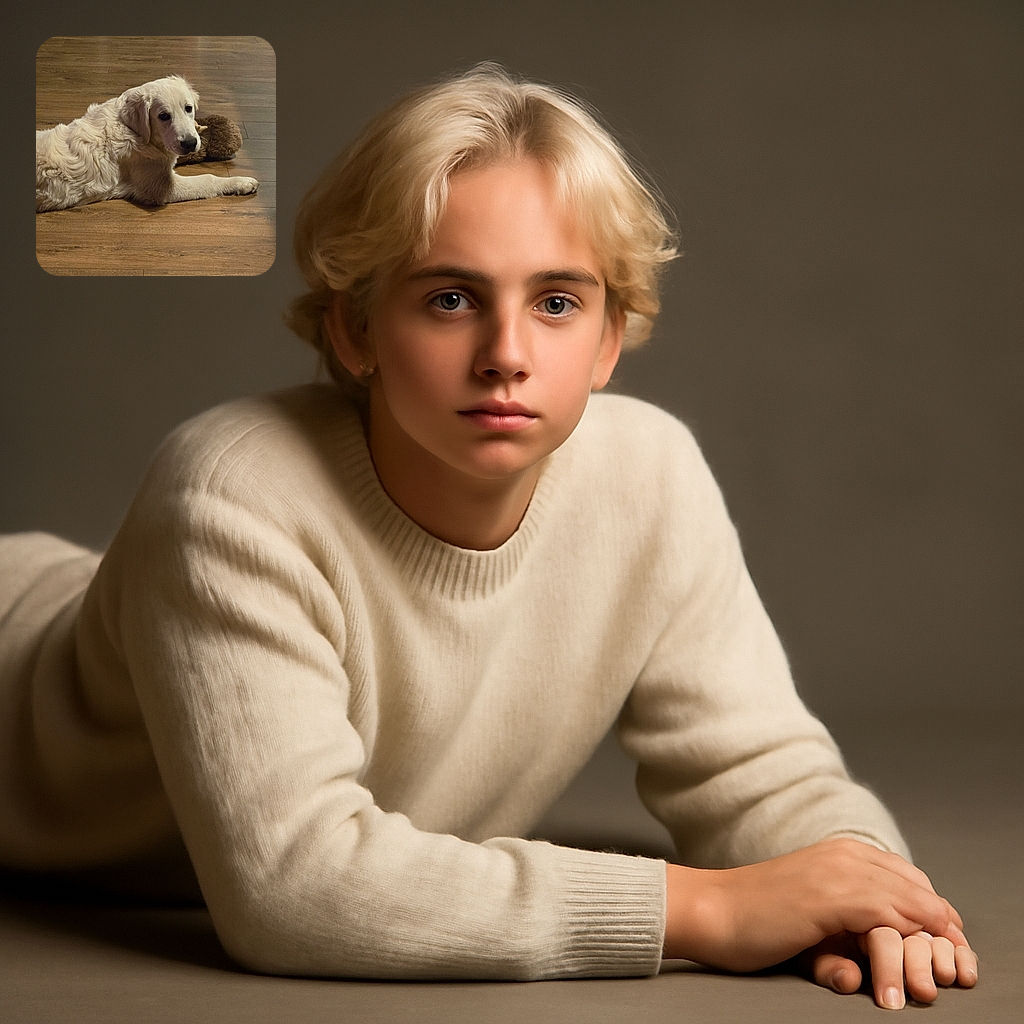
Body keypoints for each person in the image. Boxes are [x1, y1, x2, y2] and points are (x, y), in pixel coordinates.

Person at [0, 64, 976, 1009]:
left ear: (605, 340)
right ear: (354, 329)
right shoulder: (229, 491)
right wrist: (716, 907)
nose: (505, 355)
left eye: (556, 302)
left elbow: (758, 769)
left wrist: (874, 899)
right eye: (450, 298)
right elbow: (292, 888)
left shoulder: (652, 477)